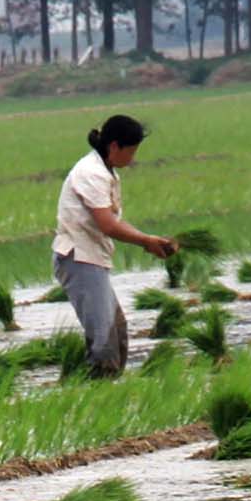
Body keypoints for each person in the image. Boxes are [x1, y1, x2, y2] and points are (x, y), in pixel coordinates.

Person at [54, 114, 177, 377]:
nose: (132, 158)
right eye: (130, 151)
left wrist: (148, 242)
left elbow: (112, 223)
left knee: (117, 331)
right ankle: (97, 393)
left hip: (93, 259)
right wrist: (146, 241)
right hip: (79, 259)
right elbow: (108, 225)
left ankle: (108, 389)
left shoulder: (105, 170)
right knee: (104, 340)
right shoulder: (91, 173)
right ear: (114, 146)